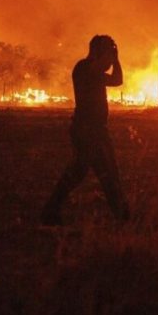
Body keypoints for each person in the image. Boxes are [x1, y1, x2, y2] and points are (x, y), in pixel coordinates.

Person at [41, 35, 130, 225]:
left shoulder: (94, 70)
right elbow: (107, 74)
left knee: (102, 171)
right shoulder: (84, 68)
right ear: (97, 52)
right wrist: (111, 58)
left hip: (95, 130)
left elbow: (117, 80)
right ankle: (122, 214)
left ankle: (121, 213)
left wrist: (115, 59)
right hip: (87, 130)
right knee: (97, 171)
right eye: (106, 52)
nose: (109, 59)